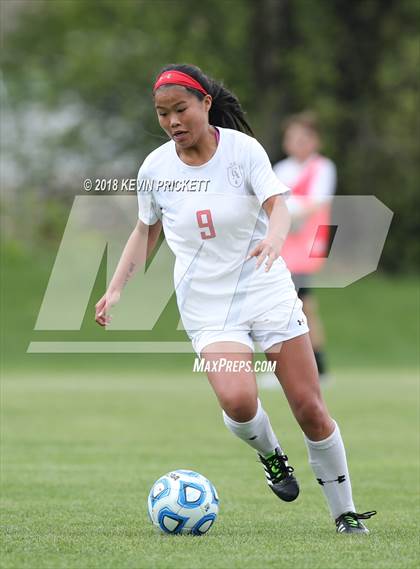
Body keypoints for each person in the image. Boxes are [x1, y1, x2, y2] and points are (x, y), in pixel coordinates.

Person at [94, 64, 376, 534]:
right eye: (163, 114)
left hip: (265, 288)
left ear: (206, 103)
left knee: (309, 407)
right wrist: (117, 286)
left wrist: (274, 240)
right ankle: (272, 455)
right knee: (240, 401)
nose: (172, 122)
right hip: (207, 305)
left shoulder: (243, 152)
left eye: (181, 109)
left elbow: (278, 207)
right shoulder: (156, 168)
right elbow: (146, 230)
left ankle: (344, 513)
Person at [273, 112, 336, 381]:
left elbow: (318, 202)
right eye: (293, 137)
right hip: (282, 243)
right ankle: (309, 368)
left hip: (307, 244)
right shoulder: (281, 169)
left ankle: (311, 368)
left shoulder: (323, 167)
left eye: (304, 137)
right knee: (294, 304)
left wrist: (291, 212)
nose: (298, 142)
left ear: (315, 140)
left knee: (301, 304)